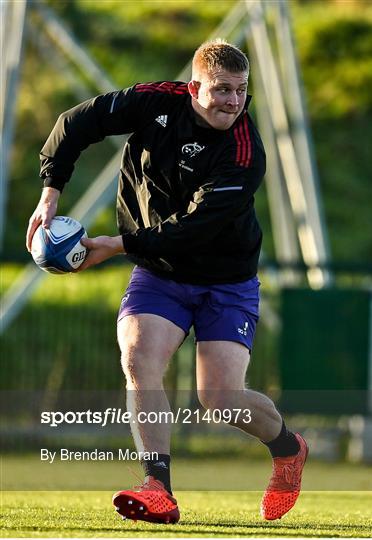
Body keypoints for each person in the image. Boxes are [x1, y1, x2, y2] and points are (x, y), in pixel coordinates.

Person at [26, 39, 308, 524]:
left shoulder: (244, 153)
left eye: (242, 91)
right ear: (194, 87)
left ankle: (288, 449)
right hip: (160, 272)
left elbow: (193, 228)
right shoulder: (156, 101)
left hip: (225, 280)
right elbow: (76, 123)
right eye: (222, 90)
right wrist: (51, 192)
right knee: (138, 356)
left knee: (219, 399)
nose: (233, 101)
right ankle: (158, 486)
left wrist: (115, 245)